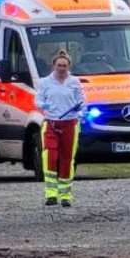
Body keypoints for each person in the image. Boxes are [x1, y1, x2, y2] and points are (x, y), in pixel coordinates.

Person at [36, 50, 86, 207]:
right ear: (54, 66)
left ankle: (65, 195)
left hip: (70, 124)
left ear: (69, 66)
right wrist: (43, 105)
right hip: (51, 123)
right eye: (59, 65)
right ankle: (51, 194)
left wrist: (80, 112)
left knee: (67, 159)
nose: (62, 68)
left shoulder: (74, 82)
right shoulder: (45, 82)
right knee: (50, 156)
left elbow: (82, 101)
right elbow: (37, 100)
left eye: (65, 65)